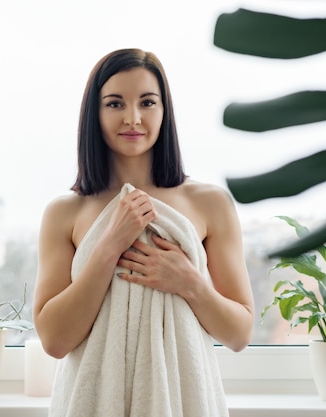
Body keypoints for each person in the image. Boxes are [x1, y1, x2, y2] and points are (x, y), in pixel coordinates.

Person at [33, 48, 254, 417]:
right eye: (115, 104)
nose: (133, 118)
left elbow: (239, 334)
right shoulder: (64, 213)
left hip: (183, 401)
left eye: (147, 103)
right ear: (95, 113)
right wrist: (110, 245)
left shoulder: (210, 203)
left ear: (164, 112)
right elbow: (55, 340)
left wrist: (189, 282)